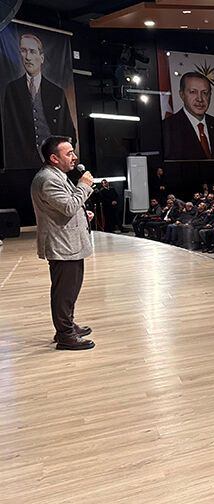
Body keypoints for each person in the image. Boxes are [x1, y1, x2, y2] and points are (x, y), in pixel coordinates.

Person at [29, 136, 95, 350]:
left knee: (70, 289)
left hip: (70, 243)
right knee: (64, 292)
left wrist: (83, 215)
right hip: (62, 245)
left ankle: (68, 325)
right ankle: (65, 335)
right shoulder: (48, 179)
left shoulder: (58, 175)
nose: (74, 157)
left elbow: (65, 207)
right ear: (54, 158)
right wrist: (84, 186)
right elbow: (68, 207)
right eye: (69, 153)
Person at [3, 34, 77, 169]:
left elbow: (69, 131)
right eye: (23, 50)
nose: (27, 57)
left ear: (41, 57)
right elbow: (8, 133)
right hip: (22, 164)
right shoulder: (12, 89)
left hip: (54, 163)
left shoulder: (57, 92)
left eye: (32, 51)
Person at [162, 72, 214, 160]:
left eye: (205, 93)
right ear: (182, 95)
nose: (200, 99)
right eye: (193, 92)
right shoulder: (168, 127)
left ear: (210, 95)